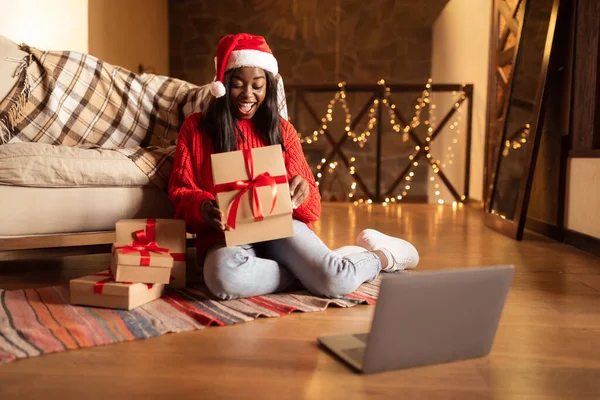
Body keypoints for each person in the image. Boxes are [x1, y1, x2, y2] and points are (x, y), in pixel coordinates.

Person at [168, 33, 419, 300]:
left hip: (281, 228)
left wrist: (303, 194)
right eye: (238, 84)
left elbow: (314, 207)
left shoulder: (282, 130)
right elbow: (180, 190)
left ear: (268, 87)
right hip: (228, 237)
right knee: (224, 278)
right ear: (223, 85)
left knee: (336, 283)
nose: (248, 94)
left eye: (257, 85)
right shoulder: (195, 128)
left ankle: (382, 256)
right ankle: (317, 270)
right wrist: (204, 206)